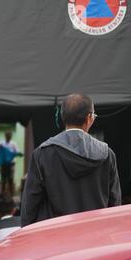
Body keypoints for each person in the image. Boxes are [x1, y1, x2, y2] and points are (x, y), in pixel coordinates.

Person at [21, 93, 121, 227]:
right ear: (89, 118)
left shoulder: (43, 153)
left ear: (62, 117)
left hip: (56, 237)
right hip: (95, 235)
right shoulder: (108, 155)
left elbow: (30, 206)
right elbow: (115, 204)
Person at [0, 131, 23, 196]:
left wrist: (19, 154)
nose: (8, 137)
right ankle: (3, 197)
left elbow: (17, 153)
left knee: (10, 181)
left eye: (9, 135)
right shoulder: (1, 144)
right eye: (7, 135)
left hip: (11, 165)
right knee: (3, 181)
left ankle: (12, 196)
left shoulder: (13, 144)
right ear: (5, 136)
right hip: (3, 165)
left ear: (11, 136)